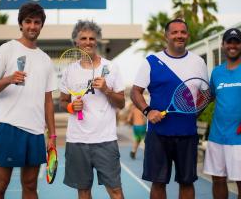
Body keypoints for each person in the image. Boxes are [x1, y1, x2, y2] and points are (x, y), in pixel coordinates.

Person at [0, 2, 57, 199]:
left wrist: (52, 136)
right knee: (0, 185)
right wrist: (9, 79)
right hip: (9, 127)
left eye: (37, 22)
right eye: (28, 22)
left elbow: (48, 101)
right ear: (21, 24)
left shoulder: (46, 60)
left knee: (31, 185)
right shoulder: (6, 49)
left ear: (41, 25)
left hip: (35, 131)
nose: (32, 26)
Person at [131, 18, 208, 199]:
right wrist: (148, 111)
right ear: (166, 36)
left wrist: (194, 112)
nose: (179, 36)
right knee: (158, 183)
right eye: (174, 32)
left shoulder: (199, 62)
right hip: (158, 134)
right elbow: (135, 92)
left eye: (182, 32)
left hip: (187, 134)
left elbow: (205, 94)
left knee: (187, 182)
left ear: (187, 35)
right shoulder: (151, 61)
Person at [60, 20, 125, 199]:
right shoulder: (69, 71)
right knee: (83, 191)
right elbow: (62, 101)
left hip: (105, 140)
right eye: (83, 38)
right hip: (77, 141)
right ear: (76, 42)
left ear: (96, 41)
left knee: (115, 191)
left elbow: (121, 103)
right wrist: (71, 107)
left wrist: (106, 90)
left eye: (92, 38)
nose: (88, 42)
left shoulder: (111, 68)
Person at [203, 28, 241, 199]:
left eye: (236, 42)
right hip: (217, 136)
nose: (233, 46)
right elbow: (209, 97)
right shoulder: (217, 72)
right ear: (223, 45)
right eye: (229, 42)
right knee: (218, 180)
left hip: (238, 138)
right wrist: (190, 113)